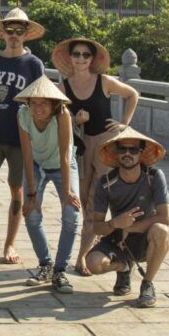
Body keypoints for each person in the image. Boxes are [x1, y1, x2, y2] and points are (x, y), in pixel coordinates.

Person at [52, 37, 139, 275]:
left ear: (92, 59)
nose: (80, 59)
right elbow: (56, 116)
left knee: (112, 197)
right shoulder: (63, 88)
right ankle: (82, 256)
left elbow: (132, 94)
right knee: (85, 201)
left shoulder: (104, 82)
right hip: (80, 147)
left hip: (105, 145)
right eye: (76, 55)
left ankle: (118, 252)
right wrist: (74, 119)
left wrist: (123, 124)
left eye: (85, 55)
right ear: (69, 58)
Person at [0, 8, 46, 265]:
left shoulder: (34, 65)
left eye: (19, 30)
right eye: (10, 30)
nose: (14, 35)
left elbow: (42, 101)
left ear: (26, 33)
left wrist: (40, 136)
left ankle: (10, 243)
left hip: (21, 137)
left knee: (18, 190)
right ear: (3, 32)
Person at [84, 127, 169, 308]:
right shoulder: (106, 182)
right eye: (122, 149)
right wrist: (115, 223)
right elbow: (97, 227)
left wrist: (127, 227)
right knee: (92, 263)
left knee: (161, 231)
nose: (127, 154)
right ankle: (123, 267)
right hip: (118, 238)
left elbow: (164, 218)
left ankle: (147, 283)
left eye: (133, 150)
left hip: (144, 237)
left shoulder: (154, 177)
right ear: (116, 154)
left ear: (141, 153)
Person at [17, 76, 81, 293]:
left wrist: (67, 193)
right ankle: (45, 264)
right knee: (31, 214)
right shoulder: (23, 114)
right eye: (33, 103)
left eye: (43, 103)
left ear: (54, 104)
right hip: (36, 163)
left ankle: (61, 270)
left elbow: (64, 155)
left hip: (62, 164)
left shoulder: (62, 116)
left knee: (71, 214)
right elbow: (26, 154)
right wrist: (32, 193)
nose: (37, 108)